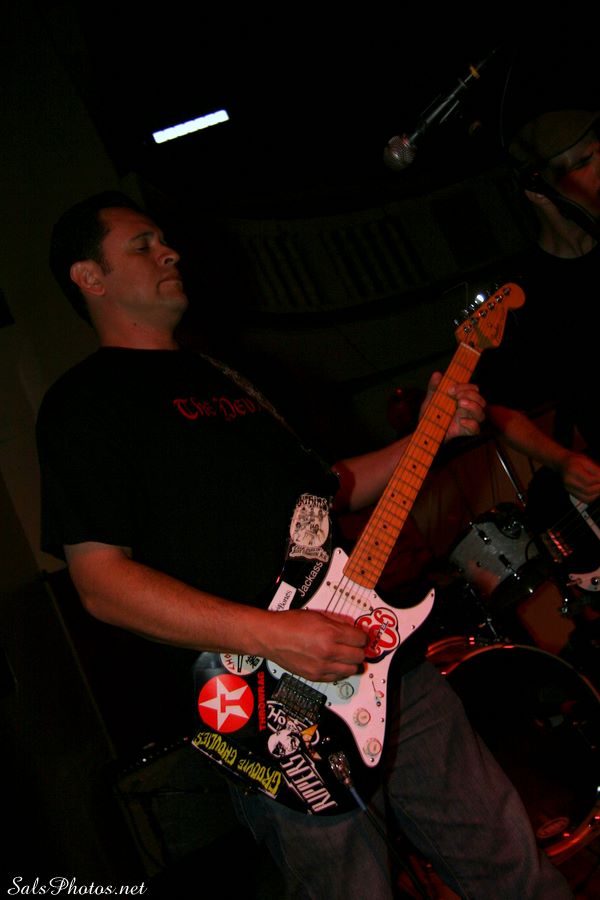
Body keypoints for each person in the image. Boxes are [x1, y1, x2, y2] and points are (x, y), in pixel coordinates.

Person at [36, 191, 573, 898]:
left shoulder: (229, 377)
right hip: (272, 710)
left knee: (509, 864)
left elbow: (329, 490)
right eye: (143, 245)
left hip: (386, 661)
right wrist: (275, 635)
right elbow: (100, 583)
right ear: (89, 277)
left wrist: (432, 431)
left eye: (165, 238)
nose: (170, 252)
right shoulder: (84, 404)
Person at [474, 109, 600, 670]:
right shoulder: (525, 295)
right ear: (540, 190)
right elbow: (495, 405)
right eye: (588, 161)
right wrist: (562, 460)